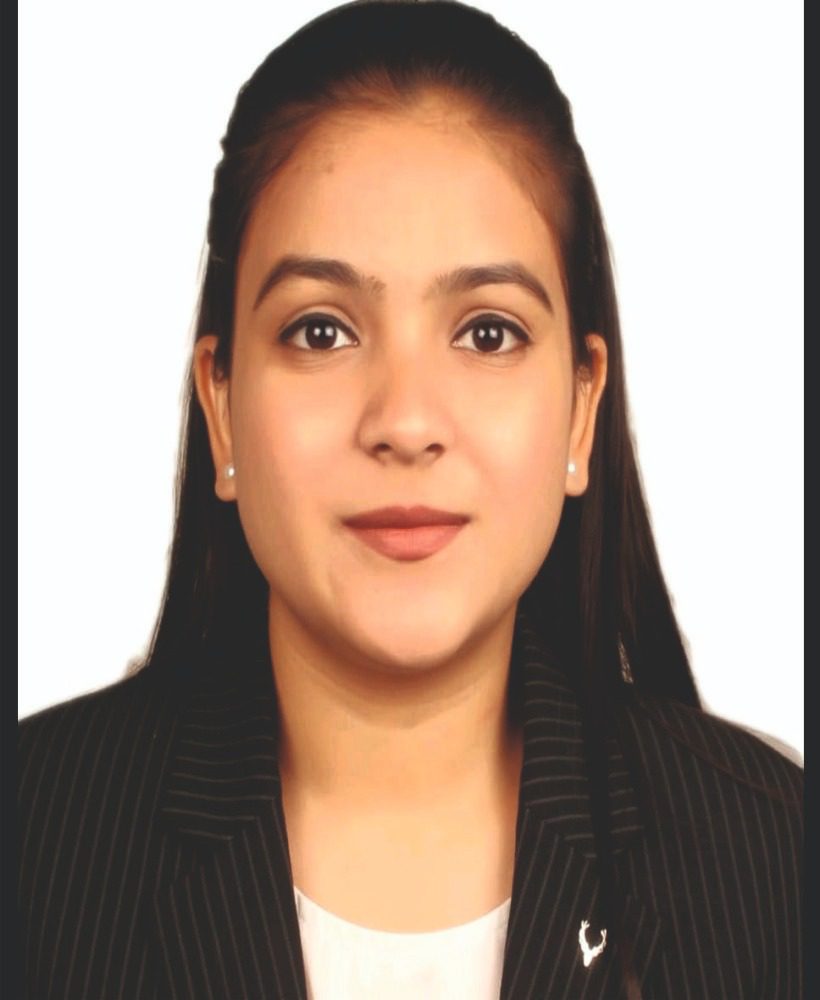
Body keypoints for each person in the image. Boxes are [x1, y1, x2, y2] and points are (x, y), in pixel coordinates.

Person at [17, 2, 802, 998]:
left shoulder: (777, 863)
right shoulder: (33, 844)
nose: (404, 421)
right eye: (320, 331)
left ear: (580, 410)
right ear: (221, 407)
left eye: (486, 333)